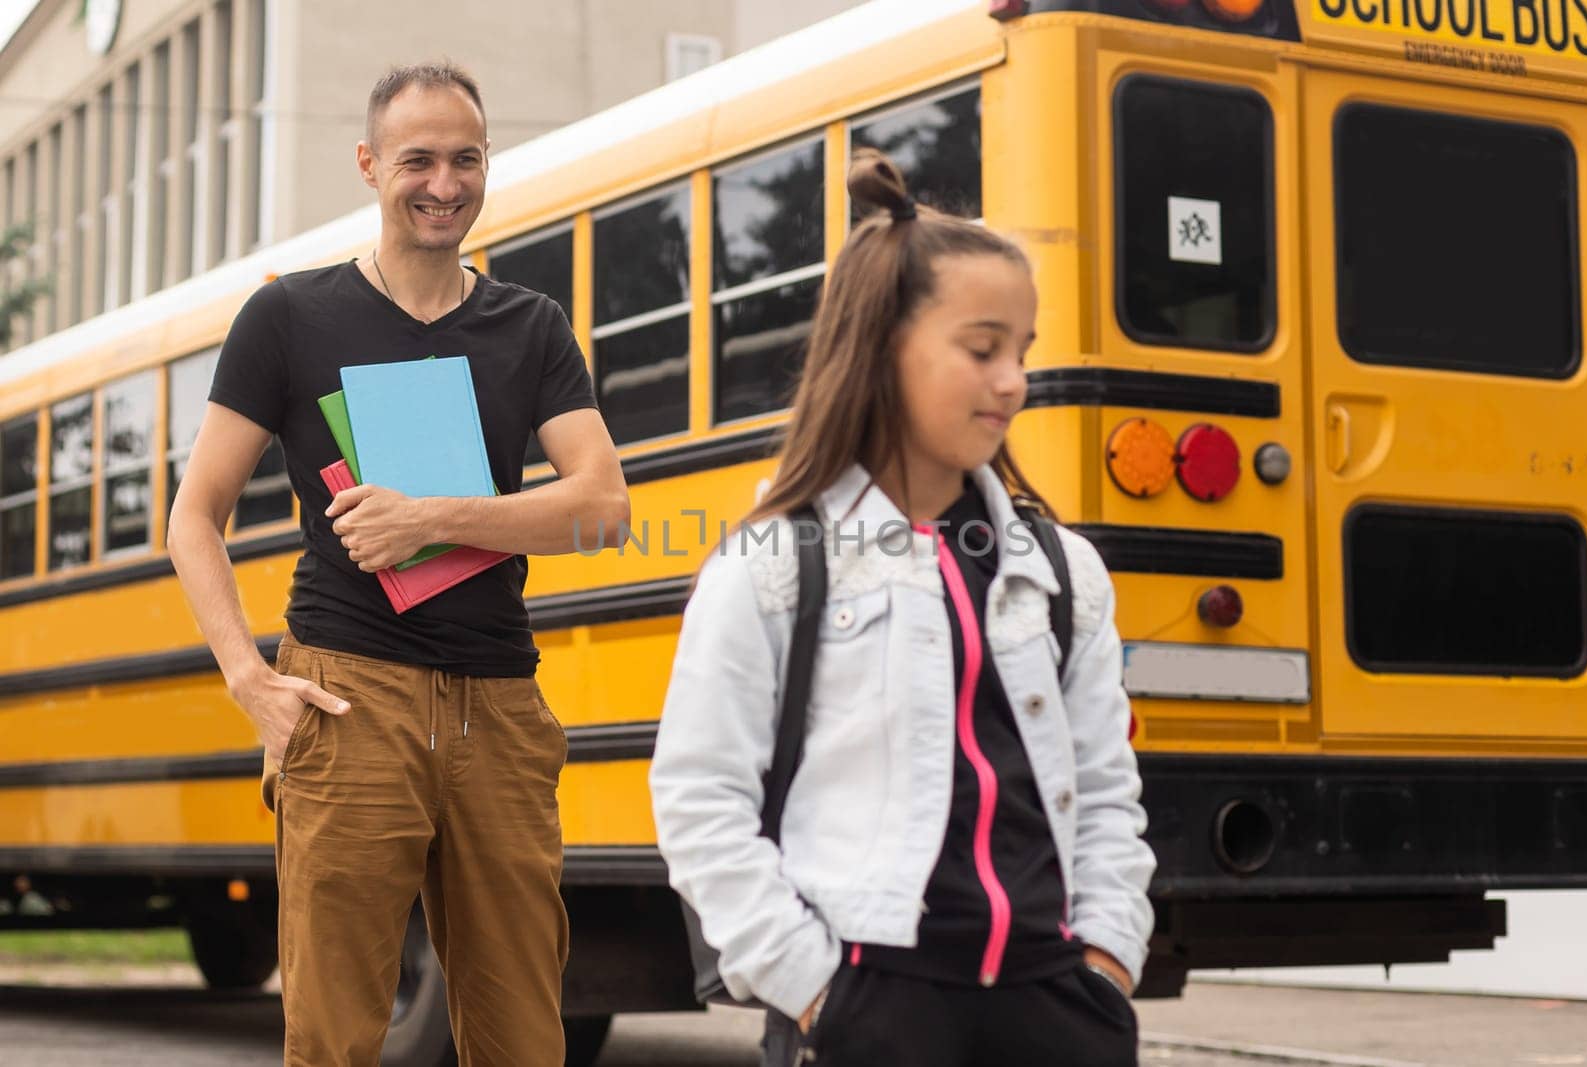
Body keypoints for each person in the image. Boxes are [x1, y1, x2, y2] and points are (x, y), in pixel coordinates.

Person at [649, 149, 1155, 1067]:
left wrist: (1108, 962)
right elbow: (699, 802)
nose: (1014, 382)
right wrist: (817, 994)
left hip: (1057, 1008)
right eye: (982, 348)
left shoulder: (1062, 570)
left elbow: (1108, 791)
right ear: (884, 348)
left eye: (1022, 353)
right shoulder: (769, 566)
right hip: (868, 1013)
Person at [167, 62, 628, 1066]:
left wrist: (437, 514)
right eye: (418, 159)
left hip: (500, 707)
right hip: (347, 695)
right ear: (371, 164)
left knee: (523, 1039)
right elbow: (192, 517)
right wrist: (249, 679)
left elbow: (601, 506)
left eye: (467, 160)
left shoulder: (529, 327)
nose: (444, 183)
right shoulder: (288, 317)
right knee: (333, 1035)